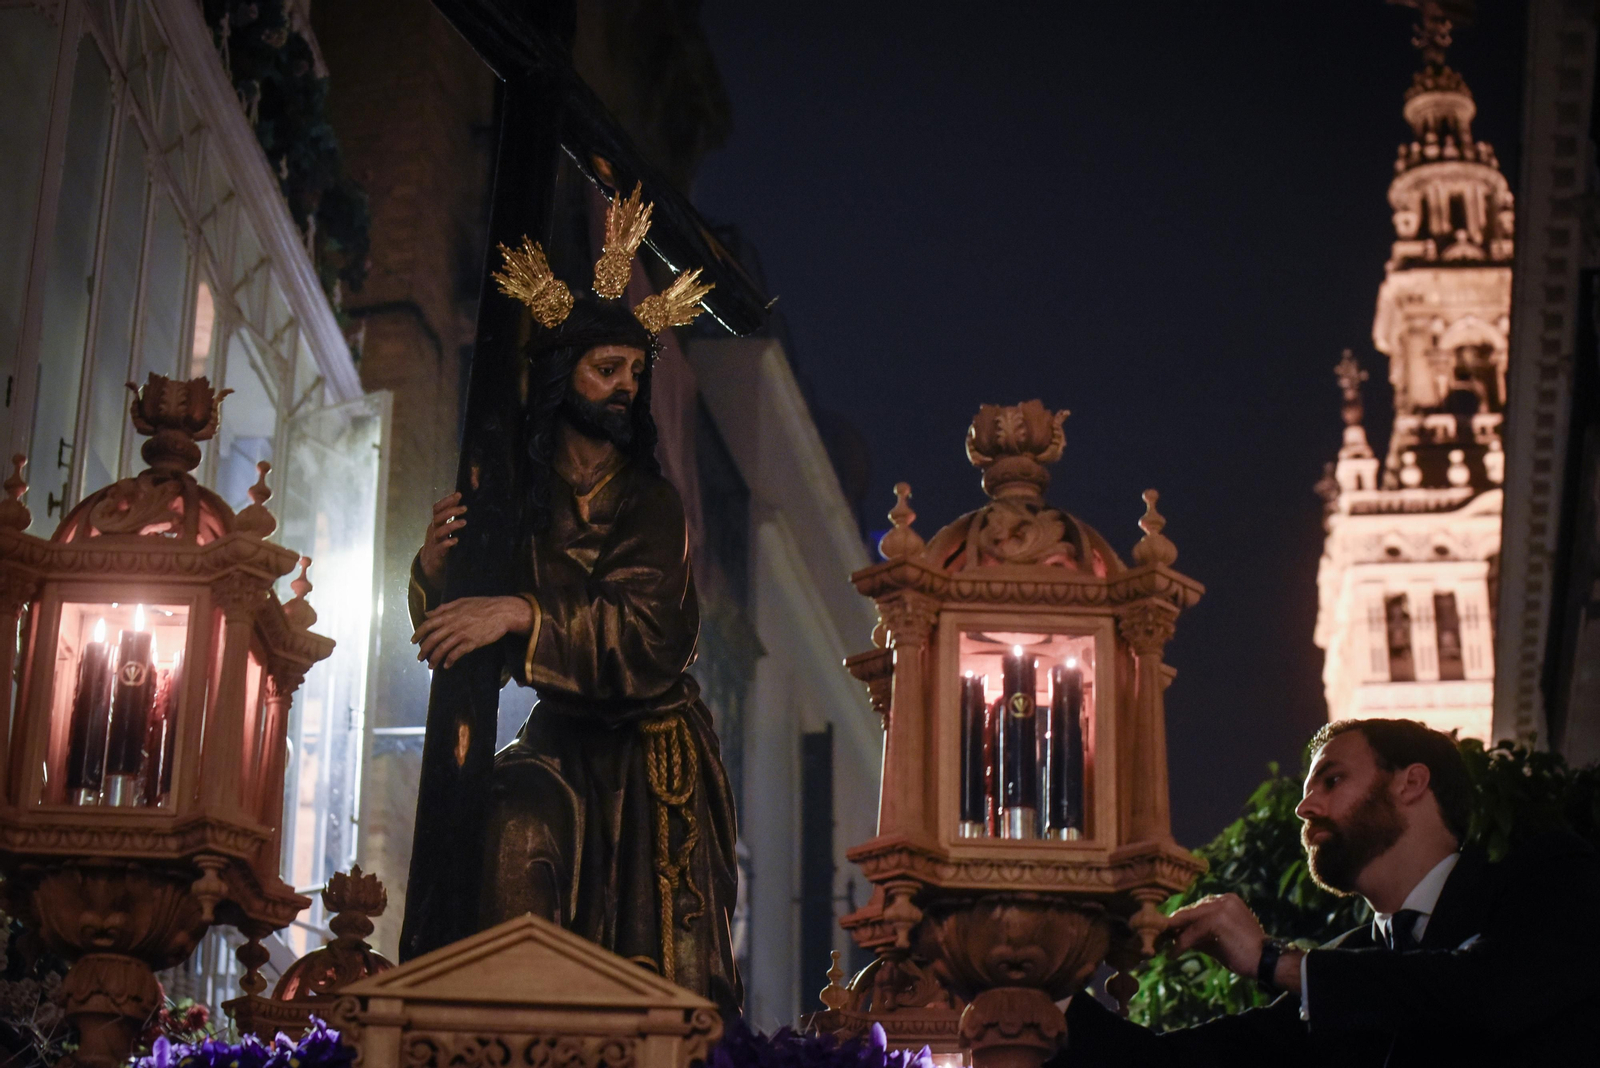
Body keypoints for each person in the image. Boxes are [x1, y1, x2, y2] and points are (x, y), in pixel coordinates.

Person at [401, 188, 741, 1011]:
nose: (627, 387)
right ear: (564, 376)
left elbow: (650, 629)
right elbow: (458, 628)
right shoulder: (516, 494)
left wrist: (522, 612)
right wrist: (438, 569)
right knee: (510, 826)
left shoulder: (652, 504)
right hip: (559, 737)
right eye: (607, 369)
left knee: (649, 967)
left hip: (647, 757)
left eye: (635, 371)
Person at [1054, 718, 1600, 1066]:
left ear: (1410, 782)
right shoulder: (1347, 965)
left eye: (1331, 780)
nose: (1304, 807)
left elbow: (1488, 991)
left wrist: (1274, 962)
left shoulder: (1550, 871)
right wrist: (1047, 971)